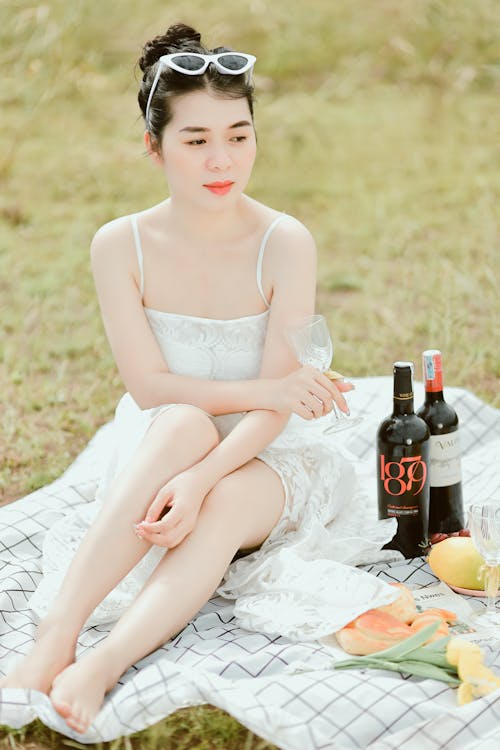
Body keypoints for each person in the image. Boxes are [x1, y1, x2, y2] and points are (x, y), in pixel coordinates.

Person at [0, 23, 397, 734]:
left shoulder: (285, 242)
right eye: (196, 140)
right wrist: (260, 398)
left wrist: (205, 475)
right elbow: (152, 386)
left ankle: (103, 663)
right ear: (153, 146)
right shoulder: (120, 244)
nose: (223, 160)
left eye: (239, 136)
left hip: (264, 458)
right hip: (163, 441)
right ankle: (56, 637)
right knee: (179, 418)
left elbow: (276, 414)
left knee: (219, 500)